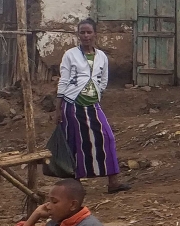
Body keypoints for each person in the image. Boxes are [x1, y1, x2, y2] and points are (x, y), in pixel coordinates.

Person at [56, 19, 130, 193]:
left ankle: (113, 182)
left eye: (89, 32)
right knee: (75, 143)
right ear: (78, 35)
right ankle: (75, 186)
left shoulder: (101, 56)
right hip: (72, 105)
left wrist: (96, 92)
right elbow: (64, 80)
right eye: (82, 32)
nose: (86, 36)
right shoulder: (70, 55)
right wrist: (58, 108)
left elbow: (103, 80)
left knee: (107, 137)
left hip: (92, 105)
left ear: (95, 34)